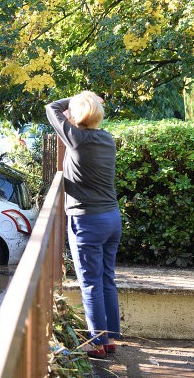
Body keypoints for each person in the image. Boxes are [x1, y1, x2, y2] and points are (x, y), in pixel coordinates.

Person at [45, 91, 122, 359]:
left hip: (87, 220)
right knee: (106, 278)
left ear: (77, 115)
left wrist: (80, 98)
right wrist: (89, 102)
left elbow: (51, 107)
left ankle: (98, 343)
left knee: (90, 282)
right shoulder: (107, 138)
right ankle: (110, 338)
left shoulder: (76, 138)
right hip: (112, 217)